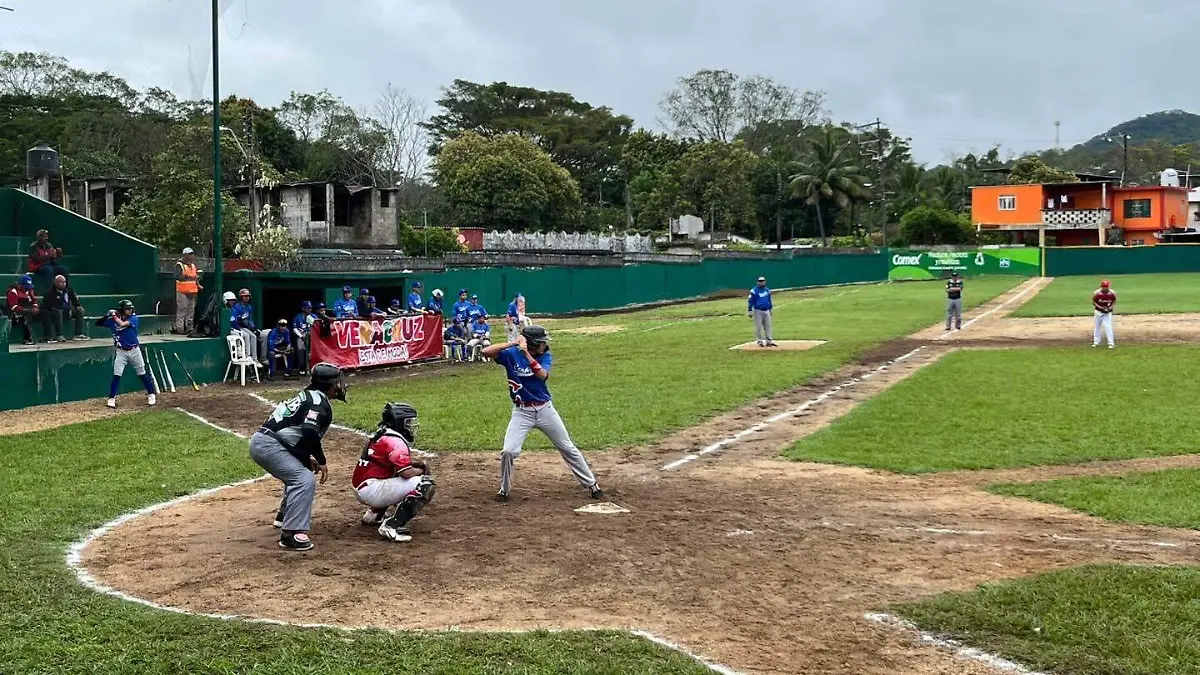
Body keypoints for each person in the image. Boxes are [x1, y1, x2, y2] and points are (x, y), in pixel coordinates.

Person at [481, 324, 603, 502]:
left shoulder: (545, 355)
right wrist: (514, 343)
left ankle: (592, 484)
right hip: (522, 411)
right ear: (532, 342)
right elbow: (486, 351)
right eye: (542, 342)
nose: (545, 345)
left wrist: (526, 354)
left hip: (545, 409)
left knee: (567, 447)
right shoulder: (511, 354)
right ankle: (504, 490)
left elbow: (542, 375)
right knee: (508, 451)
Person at [253, 363, 346, 551]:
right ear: (328, 384)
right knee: (303, 479)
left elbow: (297, 435)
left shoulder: (309, 396)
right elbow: (309, 433)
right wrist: (321, 460)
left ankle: (283, 516)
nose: (340, 386)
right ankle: (291, 534)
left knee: (300, 471)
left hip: (269, 442)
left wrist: (305, 458)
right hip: (271, 445)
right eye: (337, 382)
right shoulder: (318, 403)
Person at [352, 402, 436, 543]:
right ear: (399, 422)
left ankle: (374, 514)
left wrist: (415, 464)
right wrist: (422, 470)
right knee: (425, 484)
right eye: (408, 423)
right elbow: (406, 473)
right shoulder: (395, 442)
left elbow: (388, 462)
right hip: (372, 491)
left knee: (393, 474)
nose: (411, 426)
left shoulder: (383, 434)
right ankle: (392, 525)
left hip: (362, 485)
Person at [99, 300, 157, 409]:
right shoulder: (112, 320)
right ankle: (111, 398)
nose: (130, 310)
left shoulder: (134, 318)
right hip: (121, 352)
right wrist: (107, 315)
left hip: (134, 350)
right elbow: (99, 323)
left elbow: (122, 324)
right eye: (127, 309)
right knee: (117, 375)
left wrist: (114, 316)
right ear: (122, 310)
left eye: (130, 308)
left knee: (142, 373)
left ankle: (151, 394)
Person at [44, 274, 88, 342]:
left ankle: (78, 334)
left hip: (67, 311)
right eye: (61, 282)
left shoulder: (68, 290)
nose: (63, 284)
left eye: (64, 282)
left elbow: (74, 300)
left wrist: (77, 306)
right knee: (58, 311)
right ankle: (59, 335)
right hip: (55, 313)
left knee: (80, 310)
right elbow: (51, 306)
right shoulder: (50, 292)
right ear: (55, 282)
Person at [6, 274, 47, 345]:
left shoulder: (30, 290)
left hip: (30, 312)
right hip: (15, 315)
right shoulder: (13, 292)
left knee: (45, 313)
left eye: (28, 287)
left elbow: (34, 302)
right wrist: (27, 310)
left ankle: (47, 337)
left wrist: (35, 309)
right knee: (26, 315)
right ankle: (28, 338)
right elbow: (14, 307)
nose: (27, 289)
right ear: (20, 285)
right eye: (26, 287)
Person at [173, 247, 202, 335]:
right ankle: (180, 328)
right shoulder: (179, 265)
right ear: (185, 255)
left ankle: (190, 328)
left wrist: (198, 284)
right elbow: (177, 277)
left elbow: (195, 277)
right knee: (182, 310)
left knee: (191, 311)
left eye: (192, 254)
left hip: (192, 292)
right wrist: (190, 277)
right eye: (190, 254)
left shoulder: (193, 265)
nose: (191, 255)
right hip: (182, 291)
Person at [230, 288, 263, 364]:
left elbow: (250, 320)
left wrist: (253, 327)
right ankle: (248, 355)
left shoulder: (249, 307)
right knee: (247, 336)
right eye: (244, 296)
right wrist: (239, 327)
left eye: (247, 296)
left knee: (254, 336)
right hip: (237, 327)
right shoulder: (237, 307)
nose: (246, 297)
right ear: (241, 297)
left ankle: (255, 358)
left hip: (244, 327)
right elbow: (234, 320)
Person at [747, 276, 775, 347]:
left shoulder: (767, 290)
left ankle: (769, 341)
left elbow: (769, 299)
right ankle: (759, 341)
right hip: (758, 311)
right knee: (758, 327)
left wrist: (770, 308)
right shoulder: (754, 291)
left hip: (766, 310)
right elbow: (750, 301)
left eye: (763, 281)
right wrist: (750, 310)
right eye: (760, 281)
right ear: (757, 282)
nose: (761, 282)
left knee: (768, 326)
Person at [292, 301, 315, 375]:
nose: (309, 309)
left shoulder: (313, 316)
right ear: (303, 308)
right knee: (301, 350)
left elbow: (317, 326)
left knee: (312, 352)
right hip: (301, 336)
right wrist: (301, 336)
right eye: (308, 308)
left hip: (311, 337)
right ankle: (301, 368)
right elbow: (294, 328)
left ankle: (310, 368)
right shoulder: (298, 317)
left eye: (310, 308)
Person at [1092, 279, 1117, 349]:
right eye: (1103, 286)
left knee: (1108, 326)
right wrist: (1100, 307)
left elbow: (1114, 301)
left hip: (1108, 313)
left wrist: (1110, 307)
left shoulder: (1112, 293)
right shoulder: (1097, 293)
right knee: (1097, 327)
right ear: (1101, 286)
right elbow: (1094, 302)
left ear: (1108, 286)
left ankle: (1111, 343)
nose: (1104, 288)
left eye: (1106, 286)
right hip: (1098, 312)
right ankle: (1096, 342)